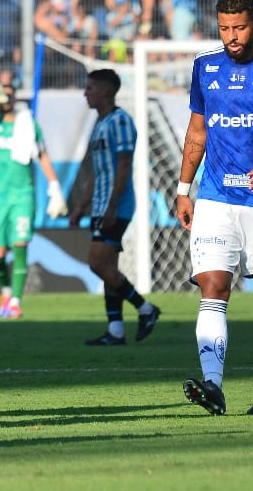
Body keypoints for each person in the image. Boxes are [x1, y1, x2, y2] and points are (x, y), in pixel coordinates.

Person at [174, 0, 253, 416]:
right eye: (225, 28)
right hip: (214, 196)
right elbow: (197, 132)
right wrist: (182, 188)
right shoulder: (204, 67)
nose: (232, 36)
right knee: (213, 286)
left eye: (240, 27)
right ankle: (213, 385)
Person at [69, 69, 161, 346]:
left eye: (91, 87)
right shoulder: (99, 124)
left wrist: (111, 206)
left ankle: (146, 309)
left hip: (116, 205)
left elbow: (123, 166)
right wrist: (80, 207)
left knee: (97, 263)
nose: (86, 92)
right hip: (101, 205)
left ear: (107, 90)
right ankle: (116, 331)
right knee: (108, 266)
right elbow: (97, 173)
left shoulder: (120, 121)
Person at [0, 70, 66, 320]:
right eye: (1, 96)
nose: (6, 100)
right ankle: (6, 291)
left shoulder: (28, 124)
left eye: (9, 96)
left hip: (23, 195)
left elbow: (41, 154)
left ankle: (16, 304)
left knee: (20, 247)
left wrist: (54, 187)